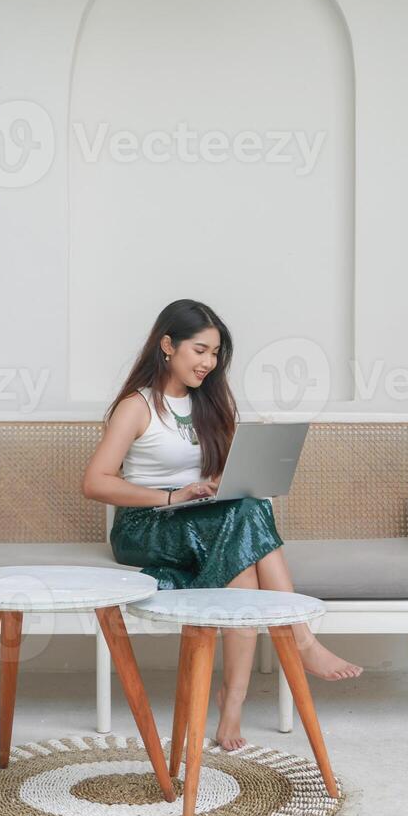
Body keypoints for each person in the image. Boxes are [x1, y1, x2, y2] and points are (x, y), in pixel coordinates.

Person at [82, 298, 363, 750]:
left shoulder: (210, 402)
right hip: (144, 526)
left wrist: (225, 480)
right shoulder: (137, 406)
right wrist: (173, 496)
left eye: (215, 354)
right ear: (167, 345)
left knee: (247, 530)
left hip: (197, 518)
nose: (209, 363)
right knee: (246, 525)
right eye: (200, 350)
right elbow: (95, 483)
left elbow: (226, 475)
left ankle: (231, 709)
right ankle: (300, 639)